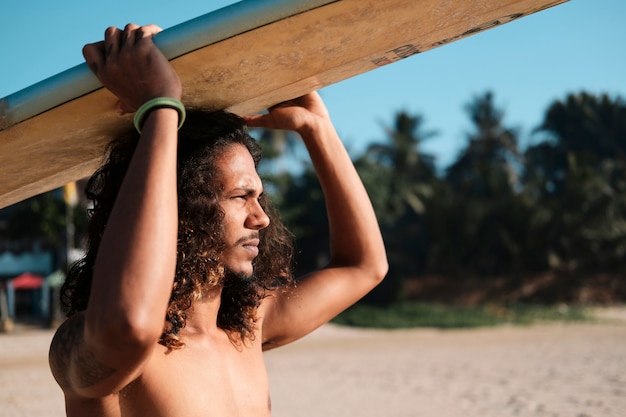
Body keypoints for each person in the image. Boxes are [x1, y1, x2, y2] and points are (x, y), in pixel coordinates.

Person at [49, 23, 388, 417]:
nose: (261, 218)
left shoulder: (245, 328)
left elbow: (364, 266)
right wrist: (160, 106)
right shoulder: (90, 346)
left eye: (259, 197)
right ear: (182, 207)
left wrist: (317, 127)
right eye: (241, 196)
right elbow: (130, 328)